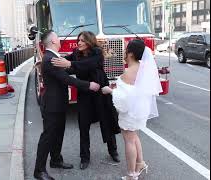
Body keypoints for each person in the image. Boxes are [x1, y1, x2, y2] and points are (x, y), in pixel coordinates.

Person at [34, 30, 101, 180]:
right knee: (48, 137)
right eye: (57, 38)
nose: (59, 40)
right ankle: (39, 170)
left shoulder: (52, 57)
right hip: (52, 105)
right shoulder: (50, 59)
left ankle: (56, 160)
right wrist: (89, 85)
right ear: (52, 42)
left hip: (58, 104)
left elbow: (68, 67)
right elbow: (68, 79)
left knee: (58, 134)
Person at [51, 31, 121, 170]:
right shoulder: (76, 53)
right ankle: (85, 157)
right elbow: (67, 63)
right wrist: (49, 63)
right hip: (85, 93)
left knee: (106, 121)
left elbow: (87, 65)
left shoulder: (97, 54)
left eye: (83, 40)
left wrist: (69, 63)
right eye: (79, 40)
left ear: (90, 41)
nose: (79, 43)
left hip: (100, 92)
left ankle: (113, 151)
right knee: (83, 126)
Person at [101, 39, 163, 180]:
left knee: (129, 140)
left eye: (126, 49)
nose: (124, 52)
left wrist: (109, 91)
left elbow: (123, 99)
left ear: (130, 54)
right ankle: (140, 163)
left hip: (130, 111)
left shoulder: (127, 72)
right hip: (141, 110)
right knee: (134, 136)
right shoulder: (144, 69)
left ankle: (131, 174)